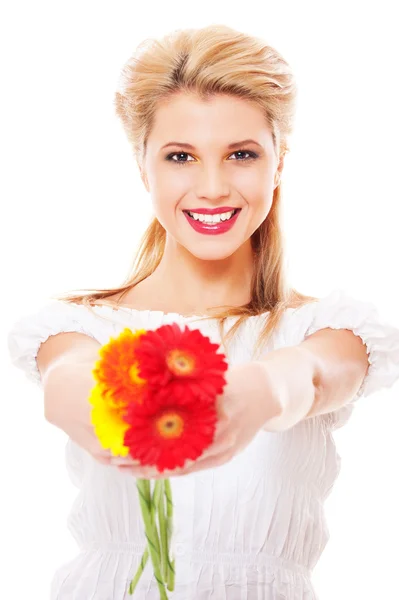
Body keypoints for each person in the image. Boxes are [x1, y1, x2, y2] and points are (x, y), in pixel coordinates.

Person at [7, 24, 399, 600]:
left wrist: (260, 389)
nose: (212, 187)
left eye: (241, 154)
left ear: (279, 163)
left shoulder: (329, 329)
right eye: (180, 157)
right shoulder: (78, 325)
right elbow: (69, 376)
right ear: (144, 167)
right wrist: (94, 407)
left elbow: (312, 374)